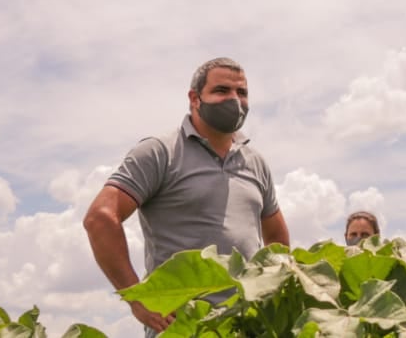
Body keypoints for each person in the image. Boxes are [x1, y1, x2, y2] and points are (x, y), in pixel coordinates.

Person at [83, 58, 290, 335]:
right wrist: (137, 296)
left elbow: (276, 236)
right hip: (184, 327)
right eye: (222, 91)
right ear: (194, 98)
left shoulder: (255, 162)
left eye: (242, 93)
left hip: (249, 325)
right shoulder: (160, 152)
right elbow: (100, 218)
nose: (234, 100)